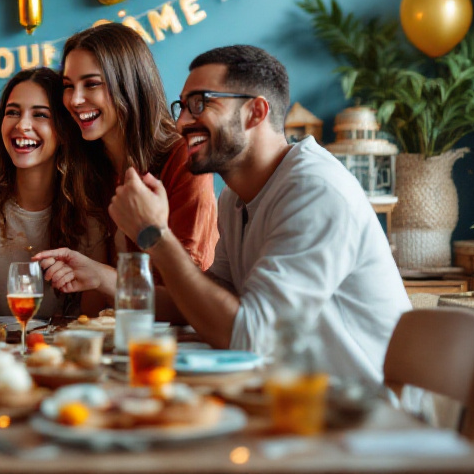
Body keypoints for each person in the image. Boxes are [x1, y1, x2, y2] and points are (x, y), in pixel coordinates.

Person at [38, 45, 410, 389]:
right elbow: (203, 303)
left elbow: (249, 337)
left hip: (363, 417)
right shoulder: (237, 197)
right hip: (289, 396)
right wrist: (103, 278)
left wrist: (155, 235)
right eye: (181, 106)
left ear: (255, 112)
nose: (182, 122)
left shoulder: (315, 191)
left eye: (200, 104)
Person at [0, 68, 110, 319]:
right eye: (13, 112)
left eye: (40, 115)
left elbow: (92, 318)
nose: (22, 125)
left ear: (63, 130)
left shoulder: (91, 209)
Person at [58, 22, 219, 268]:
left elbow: (191, 280)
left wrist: (103, 278)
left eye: (91, 84)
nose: (75, 100)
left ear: (129, 85)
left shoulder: (185, 158)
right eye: (68, 86)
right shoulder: (86, 166)